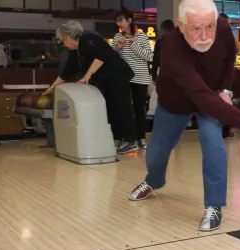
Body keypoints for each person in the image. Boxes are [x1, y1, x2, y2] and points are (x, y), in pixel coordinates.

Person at [129, 0, 240, 232]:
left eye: (209, 27)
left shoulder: (222, 28)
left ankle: (214, 205)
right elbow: (198, 93)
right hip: (176, 101)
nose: (204, 35)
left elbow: (229, 60)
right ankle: (154, 180)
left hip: (211, 96)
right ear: (181, 26)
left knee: (214, 146)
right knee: (157, 151)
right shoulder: (171, 46)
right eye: (195, 29)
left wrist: (225, 89)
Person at [46, 20, 138, 155]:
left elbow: (101, 56)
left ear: (69, 36)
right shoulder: (75, 51)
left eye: (62, 40)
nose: (61, 43)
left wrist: (88, 75)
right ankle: (119, 140)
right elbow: (68, 72)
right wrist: (52, 87)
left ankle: (130, 142)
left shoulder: (89, 39)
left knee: (121, 107)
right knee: (111, 110)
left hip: (117, 76)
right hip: (106, 81)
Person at [113, 8, 152, 149]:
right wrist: (118, 48)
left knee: (139, 108)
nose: (119, 23)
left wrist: (133, 44)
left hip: (140, 77)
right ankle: (125, 138)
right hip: (124, 77)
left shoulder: (141, 37)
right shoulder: (117, 37)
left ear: (129, 20)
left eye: (121, 20)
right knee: (123, 108)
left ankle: (141, 137)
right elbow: (111, 57)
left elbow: (149, 56)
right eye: (117, 21)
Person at [148, 19, 175, 119]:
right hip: (174, 70)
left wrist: (154, 74)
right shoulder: (178, 42)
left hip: (161, 68)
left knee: (156, 90)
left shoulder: (160, 42)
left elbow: (156, 59)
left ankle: (152, 111)